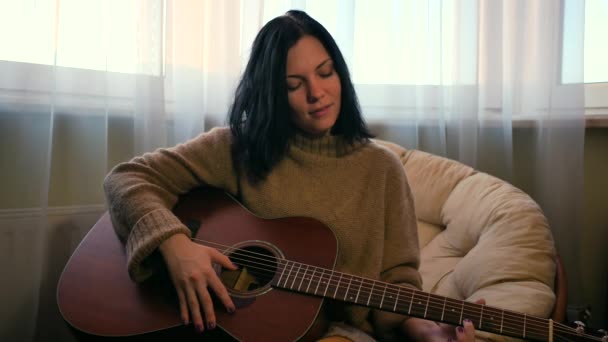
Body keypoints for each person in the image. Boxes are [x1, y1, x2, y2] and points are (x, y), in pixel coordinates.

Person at [104, 10, 477, 342]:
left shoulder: (381, 170)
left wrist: (423, 329)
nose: (317, 93)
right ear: (271, 94)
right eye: (294, 85)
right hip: (232, 325)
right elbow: (126, 178)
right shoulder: (237, 147)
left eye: (326, 72)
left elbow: (397, 282)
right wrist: (175, 246)